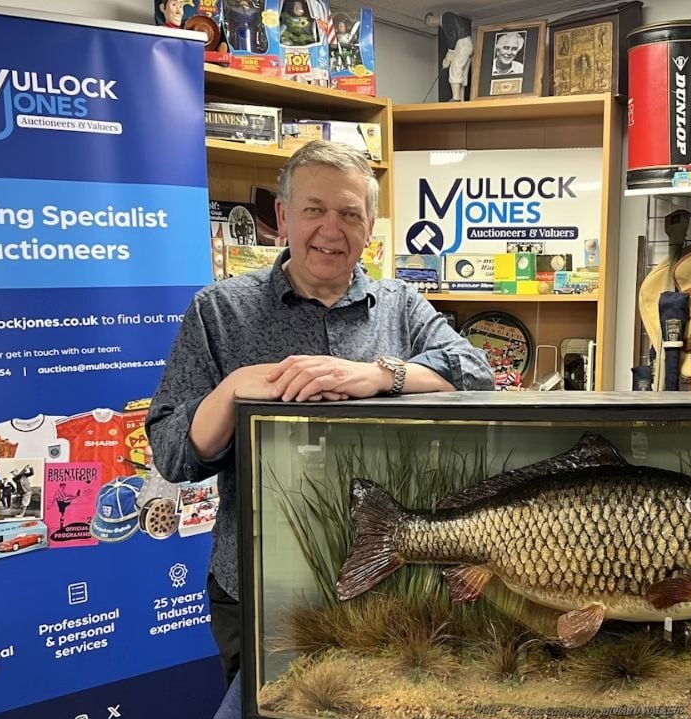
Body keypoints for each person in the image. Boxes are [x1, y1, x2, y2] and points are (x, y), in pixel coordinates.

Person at [147, 140, 494, 684]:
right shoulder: (219, 310)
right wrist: (234, 389)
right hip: (258, 590)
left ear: (370, 225)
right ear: (283, 217)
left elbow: (477, 372)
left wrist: (380, 375)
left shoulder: (400, 306)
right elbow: (172, 452)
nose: (332, 230)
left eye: (350, 214)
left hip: (390, 587)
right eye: (314, 210)